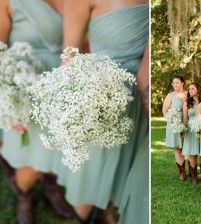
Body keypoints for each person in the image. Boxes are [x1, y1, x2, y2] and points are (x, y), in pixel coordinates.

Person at [60, 1, 149, 223]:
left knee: (122, 173)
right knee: (90, 176)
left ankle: (107, 211)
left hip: (139, 105)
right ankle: (82, 217)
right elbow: (68, 55)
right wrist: (72, 105)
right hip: (97, 98)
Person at [0, 0, 73, 223]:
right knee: (28, 160)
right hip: (23, 91)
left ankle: (51, 188)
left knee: (59, 152)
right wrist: (5, 104)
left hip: (66, 88)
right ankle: (24, 196)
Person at [162, 76, 187, 181]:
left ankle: (193, 170)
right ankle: (182, 172)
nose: (175, 85)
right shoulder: (170, 95)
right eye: (173, 83)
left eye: (177, 82)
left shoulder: (187, 94)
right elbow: (165, 110)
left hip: (187, 123)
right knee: (178, 148)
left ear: (182, 83)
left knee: (188, 147)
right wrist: (171, 120)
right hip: (174, 124)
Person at [182, 83, 201, 184]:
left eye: (192, 88)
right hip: (190, 129)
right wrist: (183, 129)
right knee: (192, 154)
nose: (190, 90)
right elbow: (185, 118)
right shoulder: (187, 102)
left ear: (198, 89)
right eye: (189, 89)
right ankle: (194, 176)